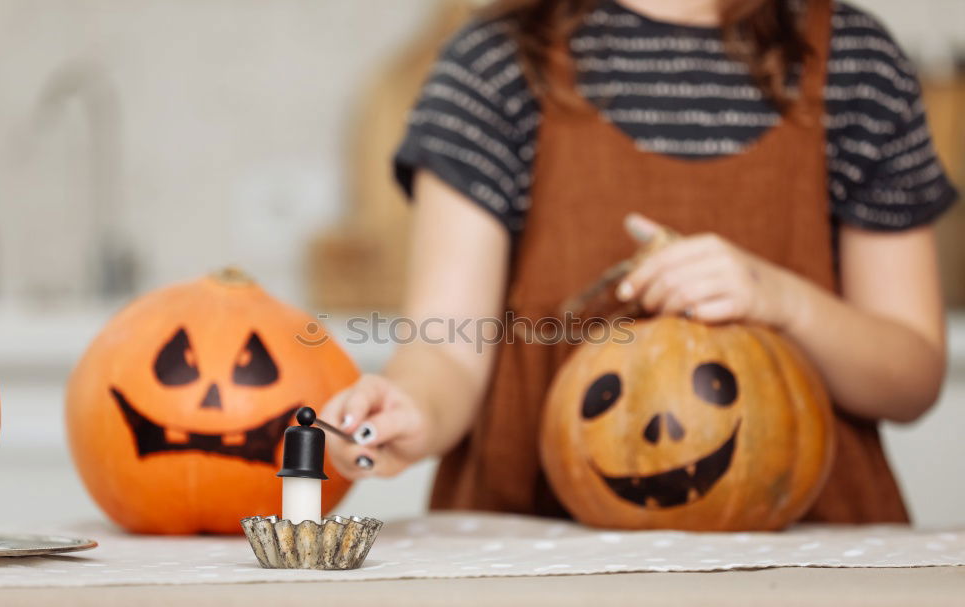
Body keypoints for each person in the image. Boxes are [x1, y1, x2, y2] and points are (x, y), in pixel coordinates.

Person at [321, 0, 958, 522]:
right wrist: (410, 407)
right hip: (541, 543)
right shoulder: (493, 64)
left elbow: (910, 377)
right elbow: (449, 347)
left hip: (809, 550)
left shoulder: (857, 63)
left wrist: (780, 299)